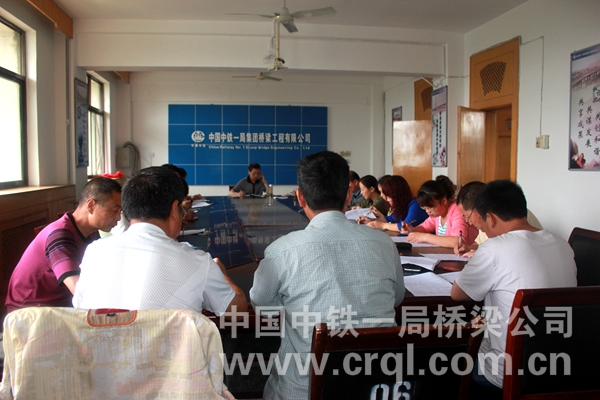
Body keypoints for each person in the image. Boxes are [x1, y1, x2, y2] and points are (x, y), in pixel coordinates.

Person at [250, 151, 404, 400]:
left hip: (302, 391)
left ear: (300, 197)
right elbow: (397, 299)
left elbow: (263, 307)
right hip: (375, 389)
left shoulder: (282, 250)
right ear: (348, 195)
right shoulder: (384, 243)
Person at [450, 180, 577, 390]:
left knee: (449, 354)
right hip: (559, 368)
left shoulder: (494, 248)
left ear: (491, 218)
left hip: (506, 374)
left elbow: (457, 294)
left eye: (482, 223)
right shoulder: (562, 244)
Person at [73, 166, 248, 316]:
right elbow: (237, 312)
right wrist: (223, 275)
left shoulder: (94, 252)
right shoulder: (198, 262)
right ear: (174, 209)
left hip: (101, 346)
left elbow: (80, 307)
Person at [5, 178, 122, 312]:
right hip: (30, 311)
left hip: (60, 305)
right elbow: (79, 291)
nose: (118, 218)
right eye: (115, 210)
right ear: (91, 205)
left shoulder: (92, 233)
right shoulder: (59, 236)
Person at [454, 181, 543, 258]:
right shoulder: (487, 219)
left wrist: (482, 255)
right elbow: (481, 243)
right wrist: (468, 248)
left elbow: (512, 252)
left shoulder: (509, 217)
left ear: (478, 208)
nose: (469, 222)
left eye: (467, 217)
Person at [401, 175, 478, 248]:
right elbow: (425, 227)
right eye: (425, 207)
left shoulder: (457, 210)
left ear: (444, 201)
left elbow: (459, 241)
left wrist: (425, 237)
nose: (427, 211)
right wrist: (412, 230)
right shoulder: (438, 213)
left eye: (430, 207)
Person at [358, 175, 428, 231]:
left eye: (389, 196)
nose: (387, 199)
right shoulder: (403, 205)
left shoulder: (415, 205)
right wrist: (371, 220)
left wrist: (382, 225)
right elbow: (391, 218)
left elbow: (406, 226)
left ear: (397, 195)